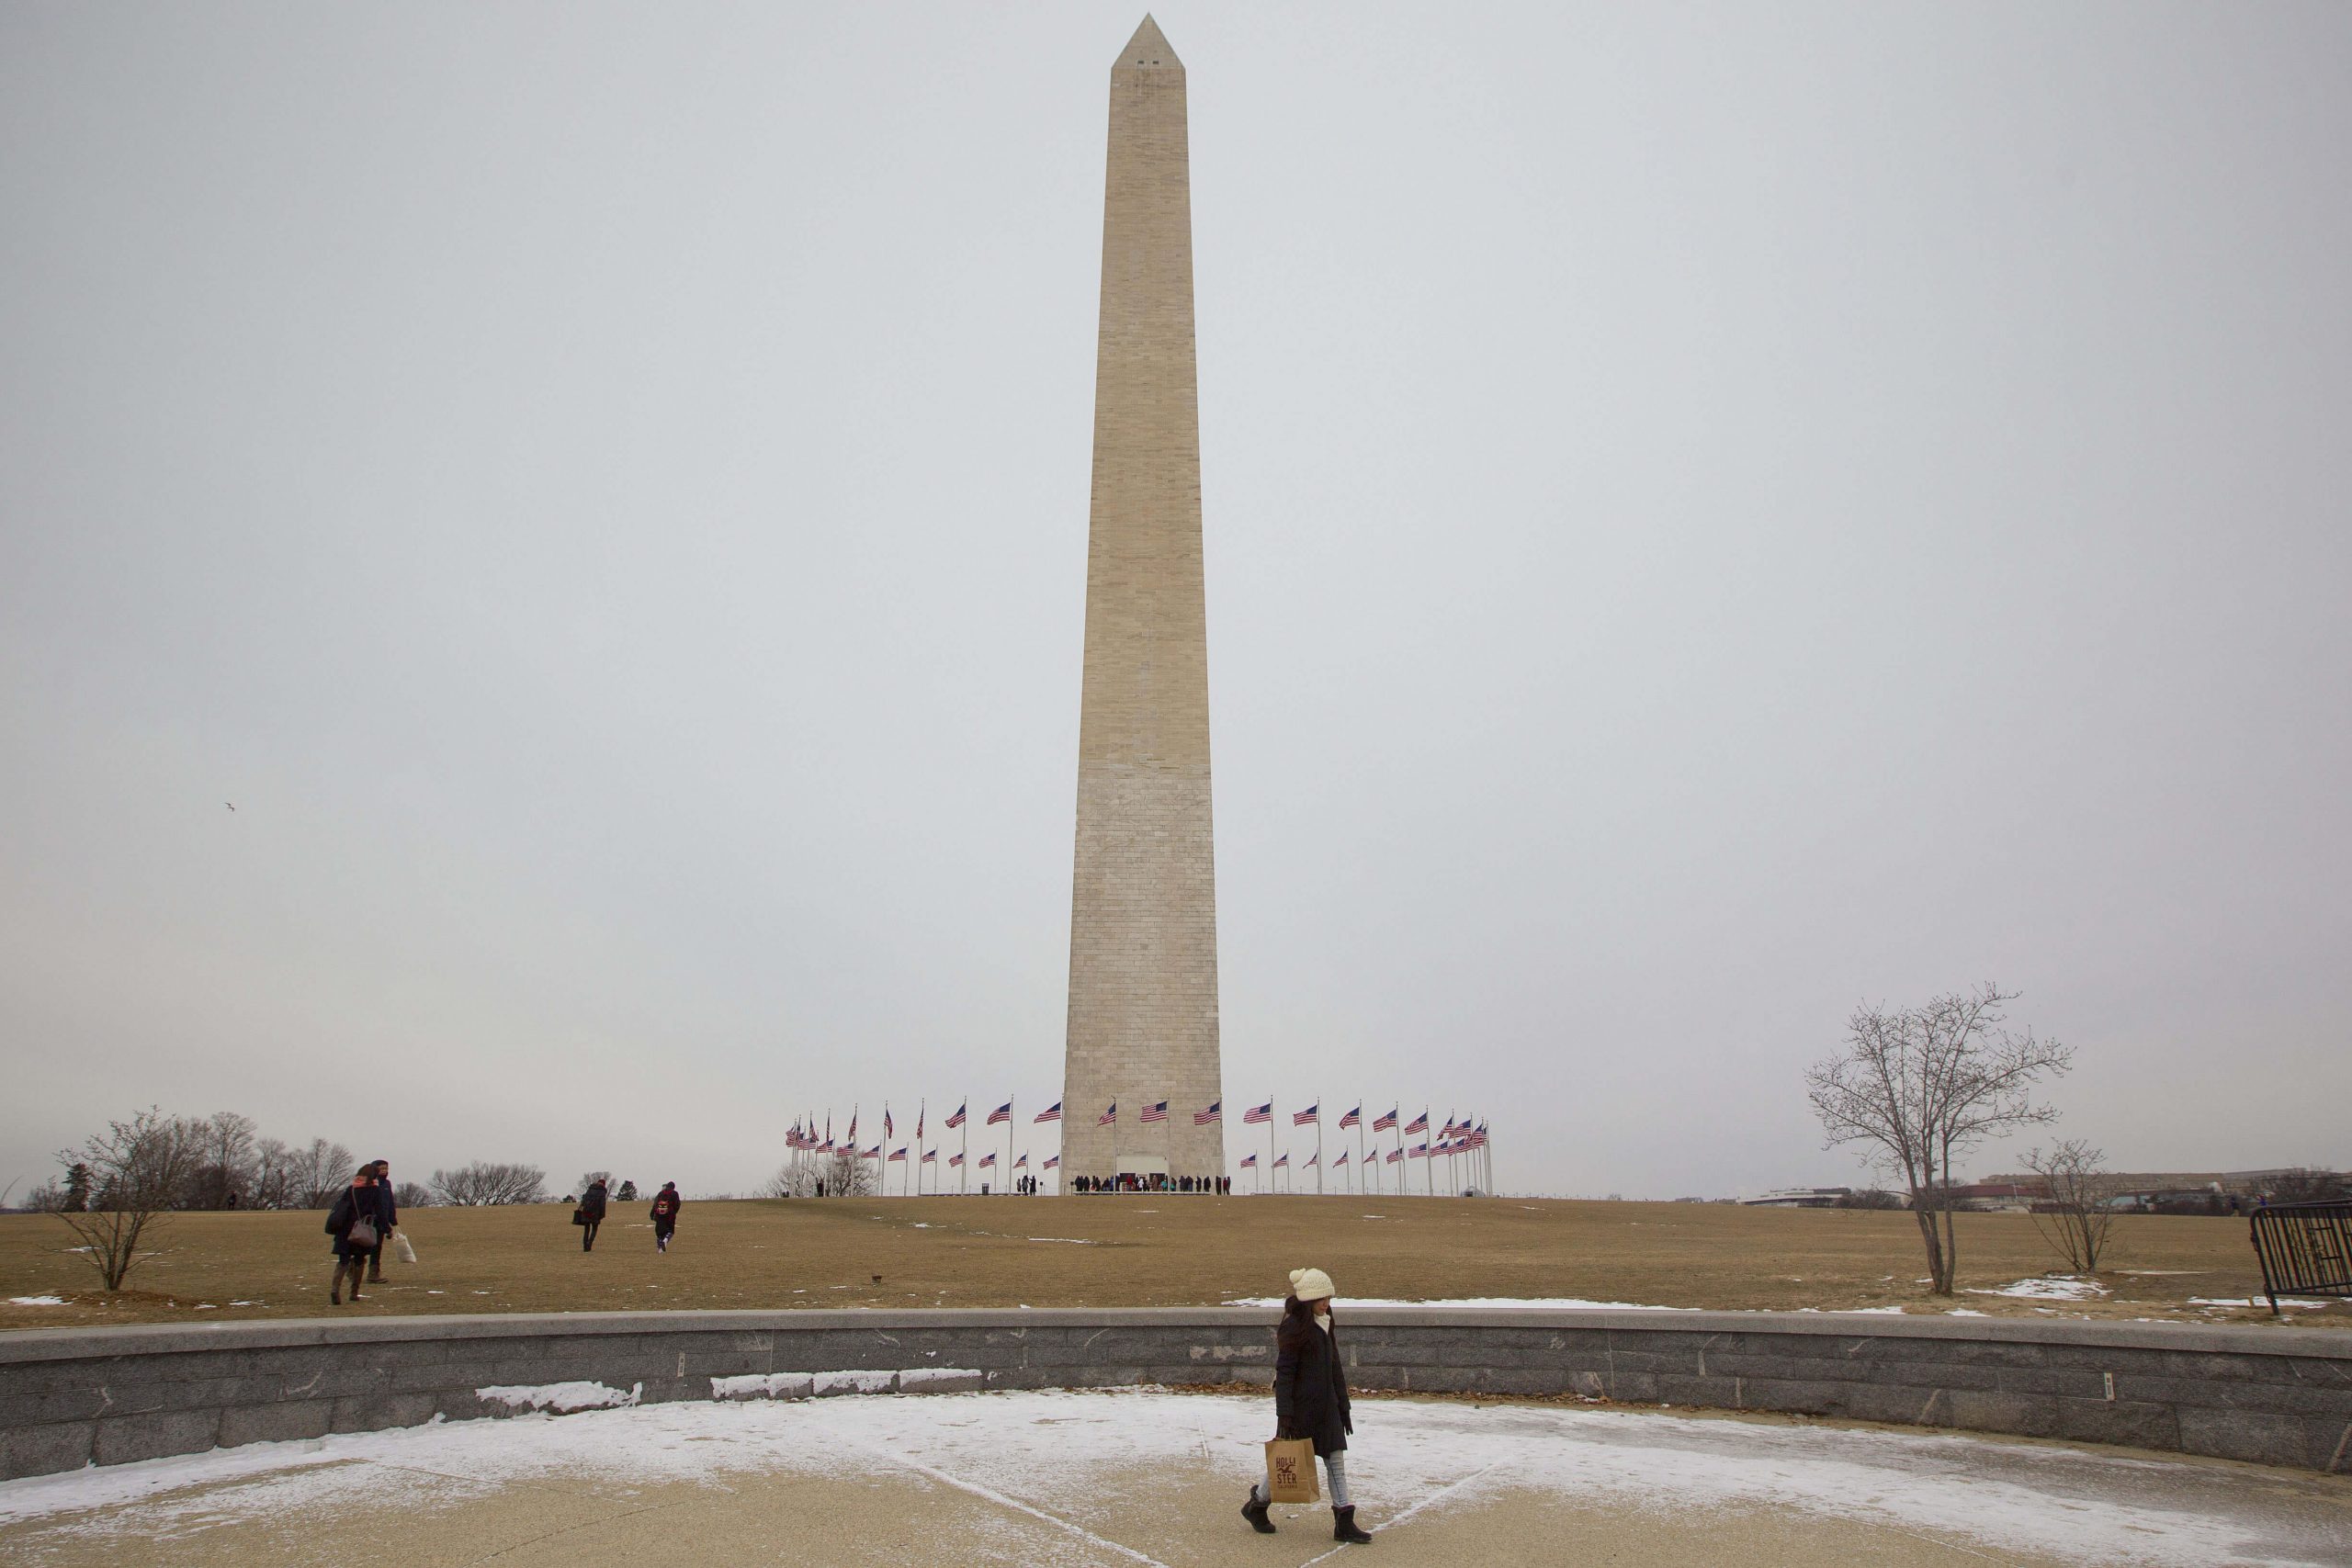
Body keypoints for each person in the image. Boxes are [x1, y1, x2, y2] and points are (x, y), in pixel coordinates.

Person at [1241, 1268, 1373, 1544]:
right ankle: (1257, 1505)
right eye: (1321, 1298)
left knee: (1335, 1461)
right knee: (1289, 1461)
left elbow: (1335, 1367)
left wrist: (1344, 1407)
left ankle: (1343, 1523)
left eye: (1329, 1298)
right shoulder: (1294, 1327)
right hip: (1301, 1410)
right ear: (1308, 1299)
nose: (1326, 1303)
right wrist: (1285, 1414)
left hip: (1328, 1408)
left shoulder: (1326, 1322)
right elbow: (1285, 1374)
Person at [325, 1165, 381, 1304]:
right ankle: (354, 1292)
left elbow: (341, 1206)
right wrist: (386, 1227)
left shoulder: (351, 1189)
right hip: (361, 1229)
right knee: (359, 1260)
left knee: (343, 1260)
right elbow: (380, 1210)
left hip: (345, 1229)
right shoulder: (374, 1190)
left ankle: (335, 1289)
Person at [365, 1158, 397, 1283]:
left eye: (386, 1168)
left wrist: (392, 1220)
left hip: (381, 1221)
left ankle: (373, 1273)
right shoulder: (370, 1183)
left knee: (377, 1247)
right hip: (369, 1220)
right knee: (364, 1246)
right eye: (382, 1168)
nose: (384, 1171)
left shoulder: (387, 1184)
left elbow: (389, 1203)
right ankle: (353, 1266)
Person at [650, 1181, 682, 1252]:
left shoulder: (661, 1193)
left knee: (660, 1233)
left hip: (659, 1216)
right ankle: (665, 1240)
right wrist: (674, 1212)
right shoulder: (675, 1193)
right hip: (670, 1215)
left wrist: (652, 1214)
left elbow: (655, 1204)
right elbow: (677, 1205)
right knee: (670, 1231)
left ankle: (660, 1249)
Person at [579, 1176, 608, 1252]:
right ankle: (589, 1244)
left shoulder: (590, 1189)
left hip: (586, 1212)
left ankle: (585, 1246)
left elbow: (584, 1200)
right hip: (595, 1213)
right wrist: (602, 1215)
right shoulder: (602, 1192)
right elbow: (602, 1205)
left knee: (586, 1230)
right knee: (594, 1230)